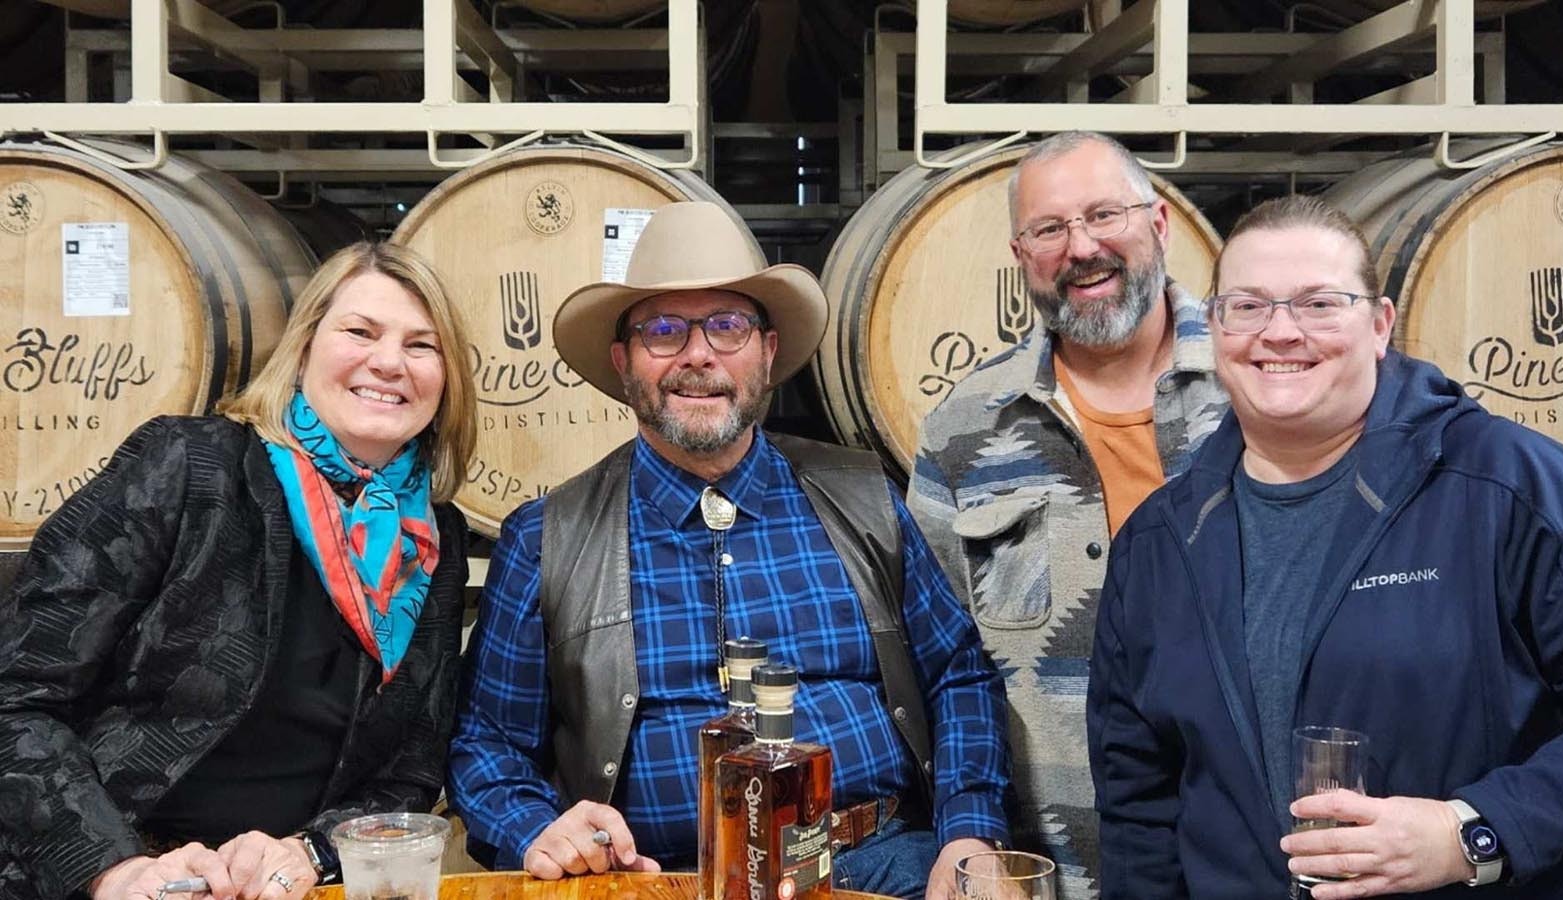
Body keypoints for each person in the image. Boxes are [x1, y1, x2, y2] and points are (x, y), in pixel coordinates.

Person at [449, 201, 1011, 900]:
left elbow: (958, 674)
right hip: (654, 880)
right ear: (623, 362)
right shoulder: (547, 536)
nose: (698, 354)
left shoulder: (863, 496)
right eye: (662, 330)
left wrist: (970, 838)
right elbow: (487, 745)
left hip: (877, 866)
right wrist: (537, 828)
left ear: (768, 352)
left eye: (727, 325)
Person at [1087, 194, 1563, 898]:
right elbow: (1140, 808)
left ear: (1381, 324)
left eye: (1320, 304)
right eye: (1249, 306)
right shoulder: (1160, 542)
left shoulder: (1507, 487)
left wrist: (1475, 832)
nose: (1281, 332)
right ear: (1213, 327)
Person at [0, 242, 478, 900]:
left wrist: (312, 851)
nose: (389, 362)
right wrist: (115, 867)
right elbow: (17, 700)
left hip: (285, 886)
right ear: (304, 346)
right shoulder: (188, 466)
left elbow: (406, 771)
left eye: (422, 345)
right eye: (360, 332)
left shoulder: (431, 538)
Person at [907, 131, 1228, 896]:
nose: (1081, 247)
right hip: (1053, 872)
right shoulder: (965, 428)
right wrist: (970, 832)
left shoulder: (1259, 382)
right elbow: (946, 669)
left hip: (1253, 854)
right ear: (1022, 257)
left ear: (1159, 224)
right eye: (1049, 229)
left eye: (1103, 215)